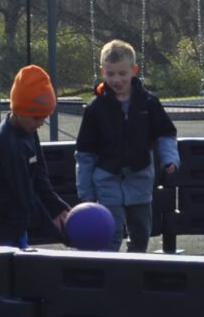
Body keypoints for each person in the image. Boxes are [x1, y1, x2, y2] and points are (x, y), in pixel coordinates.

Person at [75, 40, 180, 252]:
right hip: (107, 180)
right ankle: (110, 275)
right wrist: (86, 192)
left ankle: (134, 273)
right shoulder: (96, 108)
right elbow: (85, 152)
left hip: (139, 178)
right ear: (103, 71)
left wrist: (170, 158)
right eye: (110, 74)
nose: (117, 80)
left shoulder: (148, 103)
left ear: (134, 71)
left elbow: (166, 134)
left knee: (141, 233)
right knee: (110, 234)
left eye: (122, 73)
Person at [0, 64, 72, 248]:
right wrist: (61, 236)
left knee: (20, 271)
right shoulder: (7, 143)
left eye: (45, 117)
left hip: (14, 220)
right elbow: (26, 196)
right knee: (1, 274)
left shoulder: (29, 129)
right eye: (37, 118)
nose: (41, 123)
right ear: (19, 110)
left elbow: (40, 177)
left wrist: (60, 208)